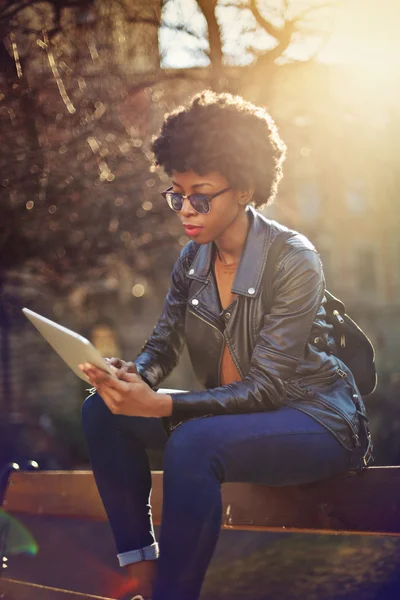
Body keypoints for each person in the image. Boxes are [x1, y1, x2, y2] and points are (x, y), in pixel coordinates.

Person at [79, 91, 370, 600]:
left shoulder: (293, 258)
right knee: (100, 412)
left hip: (315, 420)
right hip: (237, 423)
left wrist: (164, 403)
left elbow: (269, 387)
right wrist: (132, 377)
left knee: (193, 443)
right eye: (176, 194)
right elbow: (163, 348)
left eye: (201, 195)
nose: (185, 210)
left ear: (246, 189)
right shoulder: (192, 260)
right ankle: (143, 573)